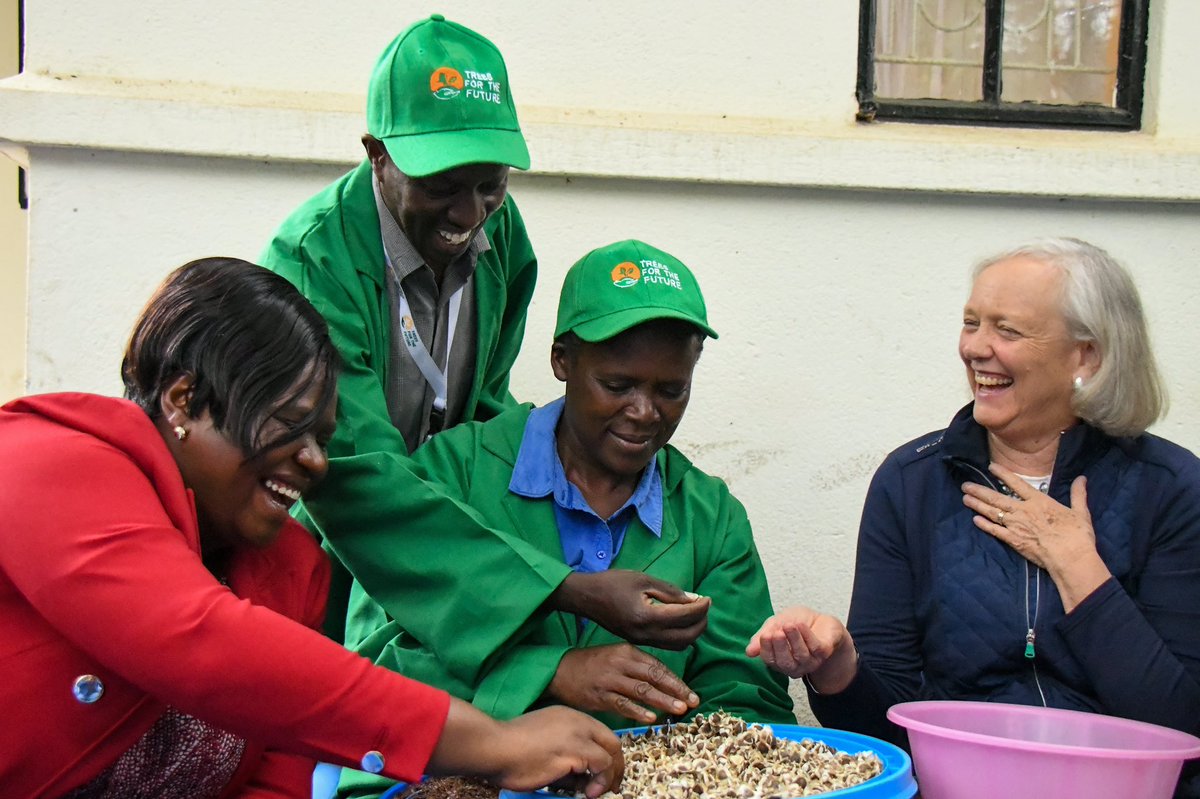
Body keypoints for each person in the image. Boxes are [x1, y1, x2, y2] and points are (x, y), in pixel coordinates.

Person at [0, 257, 622, 799]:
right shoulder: (46, 462)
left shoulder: (290, 574)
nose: (316, 461)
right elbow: (203, 644)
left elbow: (280, 770)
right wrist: (493, 744)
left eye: (322, 438)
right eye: (288, 424)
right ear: (184, 400)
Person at [261, 14, 708, 668]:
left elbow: (483, 417)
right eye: (442, 187)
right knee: (319, 712)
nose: (469, 216)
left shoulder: (503, 240)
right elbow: (353, 476)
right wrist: (566, 588)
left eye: (490, 184)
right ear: (377, 154)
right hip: (322, 548)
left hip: (446, 542)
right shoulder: (314, 264)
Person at [338, 239, 795, 798]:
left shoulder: (711, 518)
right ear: (562, 361)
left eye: (671, 390)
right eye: (618, 385)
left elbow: (744, 700)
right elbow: (374, 666)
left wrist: (694, 770)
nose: (645, 412)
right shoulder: (453, 474)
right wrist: (551, 672)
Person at [747, 238, 1200, 797]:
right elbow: (885, 736)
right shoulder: (912, 482)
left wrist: (1080, 569)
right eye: (971, 323)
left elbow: (1183, 726)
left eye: (1007, 330)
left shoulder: (1172, 488)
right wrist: (838, 669)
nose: (975, 348)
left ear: (1086, 355)